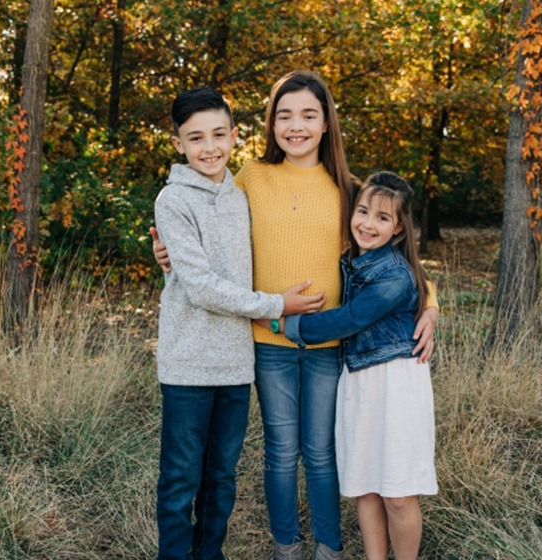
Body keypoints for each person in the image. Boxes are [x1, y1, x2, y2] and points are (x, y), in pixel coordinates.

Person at [151, 71, 438, 560]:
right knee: (281, 453)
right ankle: (288, 546)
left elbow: (391, 257)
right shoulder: (250, 178)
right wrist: (163, 254)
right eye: (284, 116)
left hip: (329, 346)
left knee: (322, 455)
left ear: (327, 123)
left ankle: (328, 546)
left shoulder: (349, 189)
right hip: (267, 342)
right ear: (269, 124)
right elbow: (206, 221)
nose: (296, 126)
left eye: (308, 115)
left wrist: (430, 303)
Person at [153, 86, 326, 560]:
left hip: (235, 364)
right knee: (181, 478)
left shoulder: (239, 193)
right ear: (178, 144)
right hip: (188, 365)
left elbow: (279, 242)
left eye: (218, 135)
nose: (209, 148)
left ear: (234, 135)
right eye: (195, 138)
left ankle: (210, 554)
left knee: (221, 477)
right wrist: (277, 305)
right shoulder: (172, 200)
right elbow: (202, 286)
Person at [272, 171, 438, 560]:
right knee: (365, 485)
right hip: (358, 381)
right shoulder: (350, 261)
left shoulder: (395, 276)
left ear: (398, 229)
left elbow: (344, 320)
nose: (367, 223)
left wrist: (281, 320)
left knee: (397, 493)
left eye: (382, 218)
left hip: (396, 383)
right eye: (362, 211)